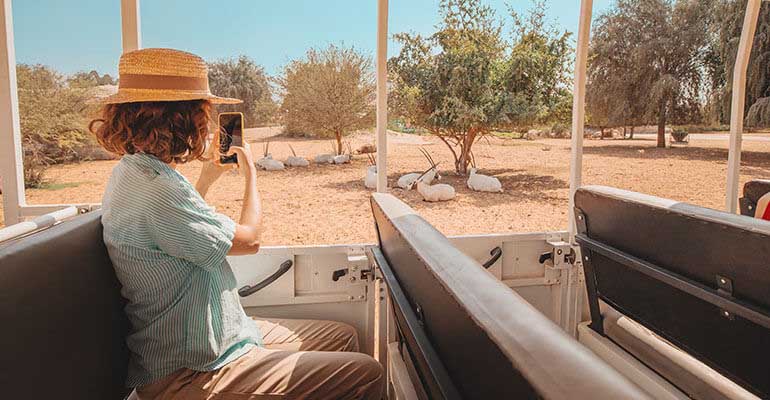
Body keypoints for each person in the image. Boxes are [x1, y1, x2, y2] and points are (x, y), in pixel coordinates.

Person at [91, 48, 382, 400]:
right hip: (193, 369)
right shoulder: (157, 188)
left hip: (221, 335)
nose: (208, 122)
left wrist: (206, 180)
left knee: (342, 336)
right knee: (367, 374)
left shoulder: (137, 173)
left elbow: (179, 231)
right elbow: (250, 240)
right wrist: (251, 178)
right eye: (203, 112)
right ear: (179, 119)